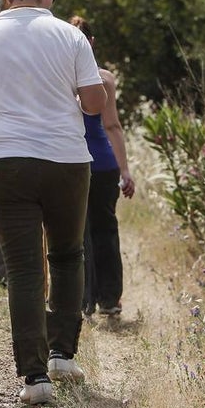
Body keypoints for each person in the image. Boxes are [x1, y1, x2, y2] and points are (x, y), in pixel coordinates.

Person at [0, 0, 105, 405]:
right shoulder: (71, 36)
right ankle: (63, 352)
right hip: (65, 159)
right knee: (67, 255)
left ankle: (34, 378)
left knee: (23, 270)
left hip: (5, 161)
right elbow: (94, 103)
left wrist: (4, 110)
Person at [68, 16, 136, 316]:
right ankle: (109, 298)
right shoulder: (104, 78)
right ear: (91, 42)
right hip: (104, 164)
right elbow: (113, 126)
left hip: (71, 160)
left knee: (76, 231)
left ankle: (84, 299)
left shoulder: (59, 77)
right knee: (105, 229)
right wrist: (125, 170)